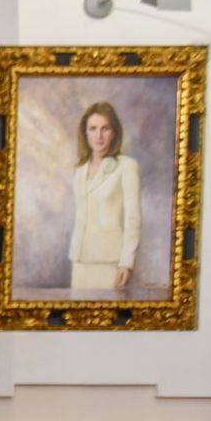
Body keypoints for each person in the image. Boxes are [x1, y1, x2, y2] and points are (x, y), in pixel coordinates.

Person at [68, 100, 140, 291]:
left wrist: (127, 262)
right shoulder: (79, 171)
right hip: (80, 260)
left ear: (114, 132)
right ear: (85, 132)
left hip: (110, 261)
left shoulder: (127, 166)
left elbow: (133, 218)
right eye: (92, 128)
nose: (98, 136)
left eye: (105, 129)